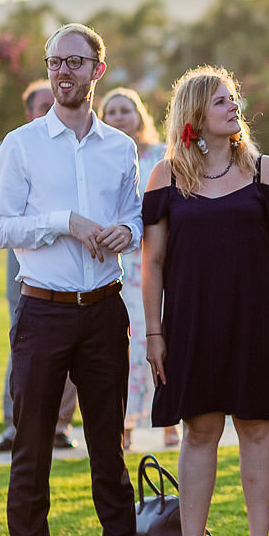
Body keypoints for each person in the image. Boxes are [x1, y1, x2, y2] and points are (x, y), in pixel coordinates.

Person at [0, 23, 155, 536]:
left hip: (105, 312)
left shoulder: (120, 148)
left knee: (108, 445)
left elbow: (135, 218)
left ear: (97, 71)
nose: (64, 72)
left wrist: (122, 232)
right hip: (44, 312)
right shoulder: (20, 144)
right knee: (31, 443)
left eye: (76, 63)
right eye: (56, 62)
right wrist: (65, 222)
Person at [142, 66, 269, 536]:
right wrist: (153, 333)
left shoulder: (265, 171)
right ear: (193, 114)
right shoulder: (165, 177)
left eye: (233, 99)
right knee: (200, 428)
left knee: (257, 425)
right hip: (190, 322)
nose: (234, 107)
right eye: (220, 101)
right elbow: (153, 264)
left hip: (259, 321)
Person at [0, 80, 79, 454]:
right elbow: (2, 218)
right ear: (29, 113)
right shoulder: (16, 147)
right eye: (42, 106)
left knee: (76, 355)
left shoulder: (84, 150)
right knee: (21, 350)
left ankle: (61, 425)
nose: (50, 109)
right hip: (28, 274)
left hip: (80, 274)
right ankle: (15, 426)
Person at [99, 87, 176, 451]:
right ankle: (126, 424)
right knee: (129, 346)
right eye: (111, 111)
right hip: (121, 266)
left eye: (125, 110)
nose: (118, 117)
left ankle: (169, 420)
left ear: (139, 115)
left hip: (160, 261)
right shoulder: (101, 158)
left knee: (161, 337)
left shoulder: (163, 157)